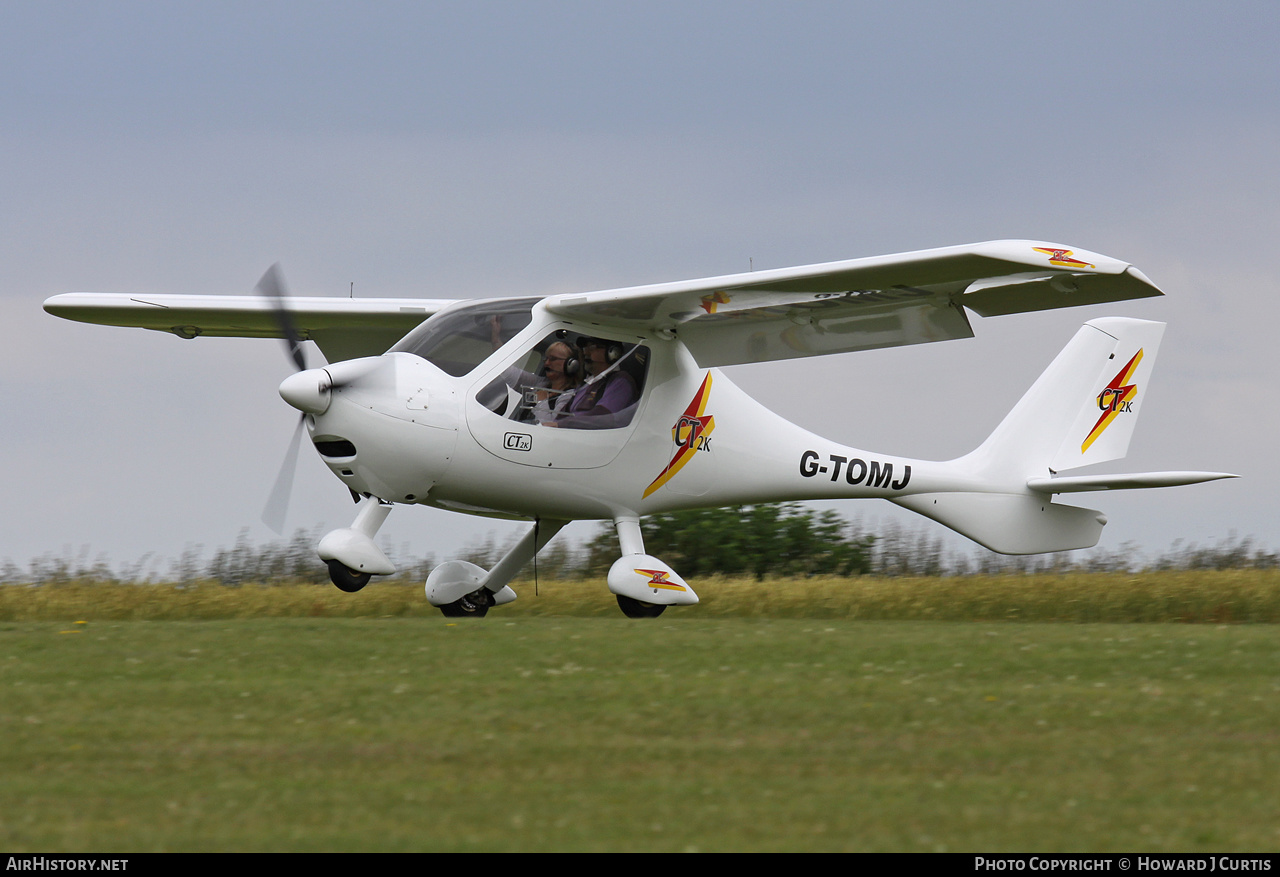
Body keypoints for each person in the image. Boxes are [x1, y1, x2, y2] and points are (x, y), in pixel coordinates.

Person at [544, 338, 641, 429]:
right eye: (585, 348)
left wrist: (561, 425)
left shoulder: (621, 381)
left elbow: (603, 416)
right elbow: (562, 415)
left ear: (612, 353)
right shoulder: (585, 385)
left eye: (592, 348)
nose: (585, 352)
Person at [528, 341, 581, 423]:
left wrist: (541, 401)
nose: (547, 363)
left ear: (571, 364)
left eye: (553, 359)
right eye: (546, 359)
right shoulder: (542, 383)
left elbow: (550, 425)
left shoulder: (569, 396)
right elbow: (510, 373)